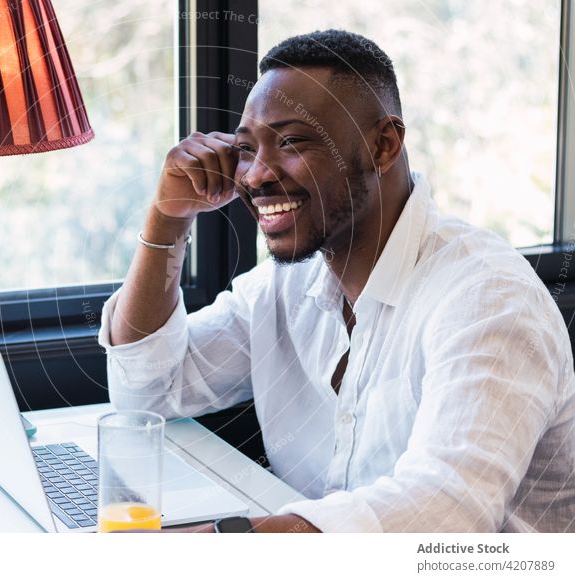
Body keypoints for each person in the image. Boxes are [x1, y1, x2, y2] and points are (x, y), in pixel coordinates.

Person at [97, 29, 575, 532]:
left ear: (383, 145)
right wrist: (167, 218)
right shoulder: (288, 287)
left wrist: (219, 547)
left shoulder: (487, 298)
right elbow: (147, 393)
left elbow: (444, 513)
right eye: (246, 149)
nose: (256, 175)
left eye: (292, 142)